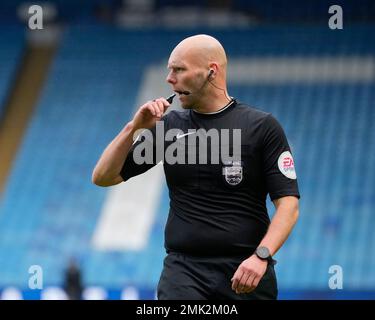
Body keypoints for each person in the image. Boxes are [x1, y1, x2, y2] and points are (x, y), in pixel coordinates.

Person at [92, 34, 300, 300]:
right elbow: (103, 177)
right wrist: (133, 128)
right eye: (169, 70)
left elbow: (289, 205)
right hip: (183, 272)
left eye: (179, 69)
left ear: (211, 71)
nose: (169, 78)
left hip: (247, 272)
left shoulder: (261, 127)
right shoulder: (170, 129)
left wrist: (261, 256)